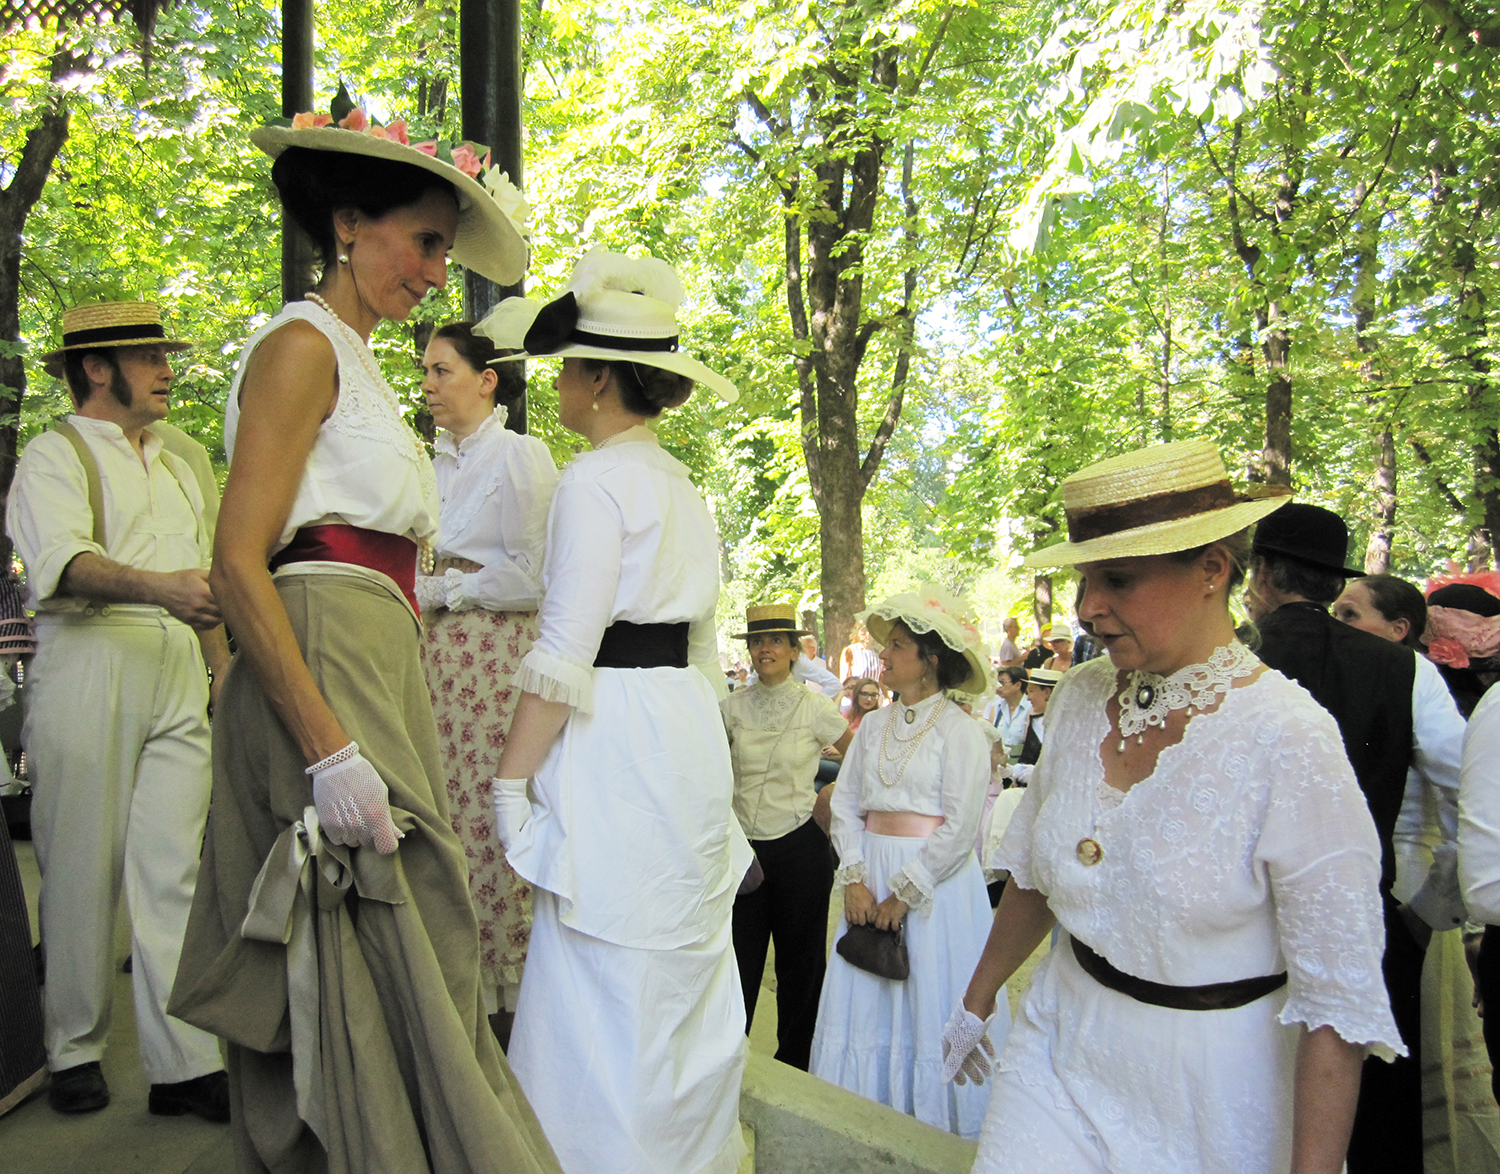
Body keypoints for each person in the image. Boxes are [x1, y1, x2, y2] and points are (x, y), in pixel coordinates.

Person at [168, 109, 560, 1174]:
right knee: (368, 936)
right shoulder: (301, 346)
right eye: (425, 241)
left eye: (445, 246)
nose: (438, 271)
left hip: (378, 660)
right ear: (349, 222)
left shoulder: (362, 364)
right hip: (326, 664)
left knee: (405, 939)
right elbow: (237, 558)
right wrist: (328, 746)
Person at [945, 439, 1403, 1174]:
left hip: (1215, 1094)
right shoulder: (1083, 698)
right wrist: (976, 997)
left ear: (1212, 572)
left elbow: (1336, 1004)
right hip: (1058, 1048)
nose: (1088, 608)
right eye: (1084, 580)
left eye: (1118, 580)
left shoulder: (1291, 738)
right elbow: (1035, 869)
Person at [485, 246, 751, 1174]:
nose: (559, 385)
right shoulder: (685, 490)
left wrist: (510, 784)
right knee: (677, 955)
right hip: (681, 726)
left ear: (599, 380)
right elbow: (704, 648)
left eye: (568, 369)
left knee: (602, 965)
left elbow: (563, 652)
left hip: (620, 729)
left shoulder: (594, 483)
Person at [6, 298, 231, 1119]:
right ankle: (74, 1048)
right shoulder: (52, 453)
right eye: (150, 355)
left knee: (173, 865)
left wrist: (220, 668)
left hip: (176, 657)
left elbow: (202, 572)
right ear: (96, 367)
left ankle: (183, 1063)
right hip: (92, 653)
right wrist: (160, 590)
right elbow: (64, 567)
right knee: (79, 863)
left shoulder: (177, 458)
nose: (168, 367)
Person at [1247, 503, 1467, 1174]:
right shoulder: (1406, 669)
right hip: (1359, 923)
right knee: (1366, 1118)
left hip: (1234, 929)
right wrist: (1431, 905)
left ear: (1259, 575)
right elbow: (1468, 788)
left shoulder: (1226, 661)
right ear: (1330, 584)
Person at [810, 587, 1007, 1139]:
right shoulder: (870, 726)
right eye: (886, 645)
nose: (884, 656)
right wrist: (853, 877)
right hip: (869, 873)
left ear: (931, 660)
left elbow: (962, 823)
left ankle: (932, 1126)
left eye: (897, 646)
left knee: (927, 998)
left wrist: (904, 892)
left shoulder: (962, 732)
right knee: (869, 1000)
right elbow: (844, 804)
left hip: (935, 890)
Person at [413, 320, 558, 1042]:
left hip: (496, 657)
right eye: (426, 371)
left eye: (442, 370)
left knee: (493, 807)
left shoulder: (520, 457)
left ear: (486, 379)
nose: (429, 385)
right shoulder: (427, 464)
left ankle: (514, 1009)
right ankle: (458, 990)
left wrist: (450, 593)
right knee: (443, 809)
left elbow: (535, 576)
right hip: (435, 655)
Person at [1338, 573, 1500, 1169]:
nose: (1339, 626)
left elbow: (1469, 800)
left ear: (1399, 630)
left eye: (1352, 615)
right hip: (1382, 894)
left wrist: (1428, 912)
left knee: (1401, 1061)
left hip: (1407, 888)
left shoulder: (1414, 677)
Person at [722, 604, 852, 1070]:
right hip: (743, 854)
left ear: (795, 650)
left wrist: (832, 793)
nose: (765, 649)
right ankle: (729, 1061)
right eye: (757, 641)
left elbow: (858, 761)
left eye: (776, 640)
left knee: (800, 966)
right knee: (737, 963)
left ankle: (796, 1064)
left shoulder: (814, 705)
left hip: (800, 847)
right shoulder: (731, 706)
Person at [1006, 667, 1059, 786]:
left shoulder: (1067, 727)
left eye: (1031, 691)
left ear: (1047, 692)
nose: (1028, 698)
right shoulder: (1034, 721)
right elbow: (1027, 758)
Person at [982, 667, 1031, 761]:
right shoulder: (996, 707)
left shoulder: (1029, 708)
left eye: (1002, 683)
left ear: (1018, 685)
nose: (998, 686)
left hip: (1022, 765)